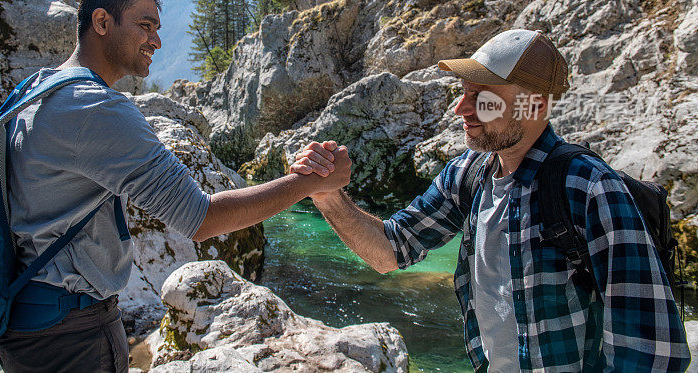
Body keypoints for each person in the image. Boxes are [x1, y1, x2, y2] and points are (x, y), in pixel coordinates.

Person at [0, 0, 351, 373]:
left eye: (158, 28)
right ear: (102, 21)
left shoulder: (37, 87)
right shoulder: (96, 108)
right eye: (145, 25)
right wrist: (308, 182)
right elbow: (202, 218)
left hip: (26, 319)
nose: (157, 40)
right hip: (71, 331)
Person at [291, 29, 690, 372]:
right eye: (465, 93)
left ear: (534, 103)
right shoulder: (470, 172)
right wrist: (328, 197)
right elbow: (389, 251)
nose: (461, 109)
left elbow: (653, 352)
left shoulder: (590, 187)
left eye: (483, 98)